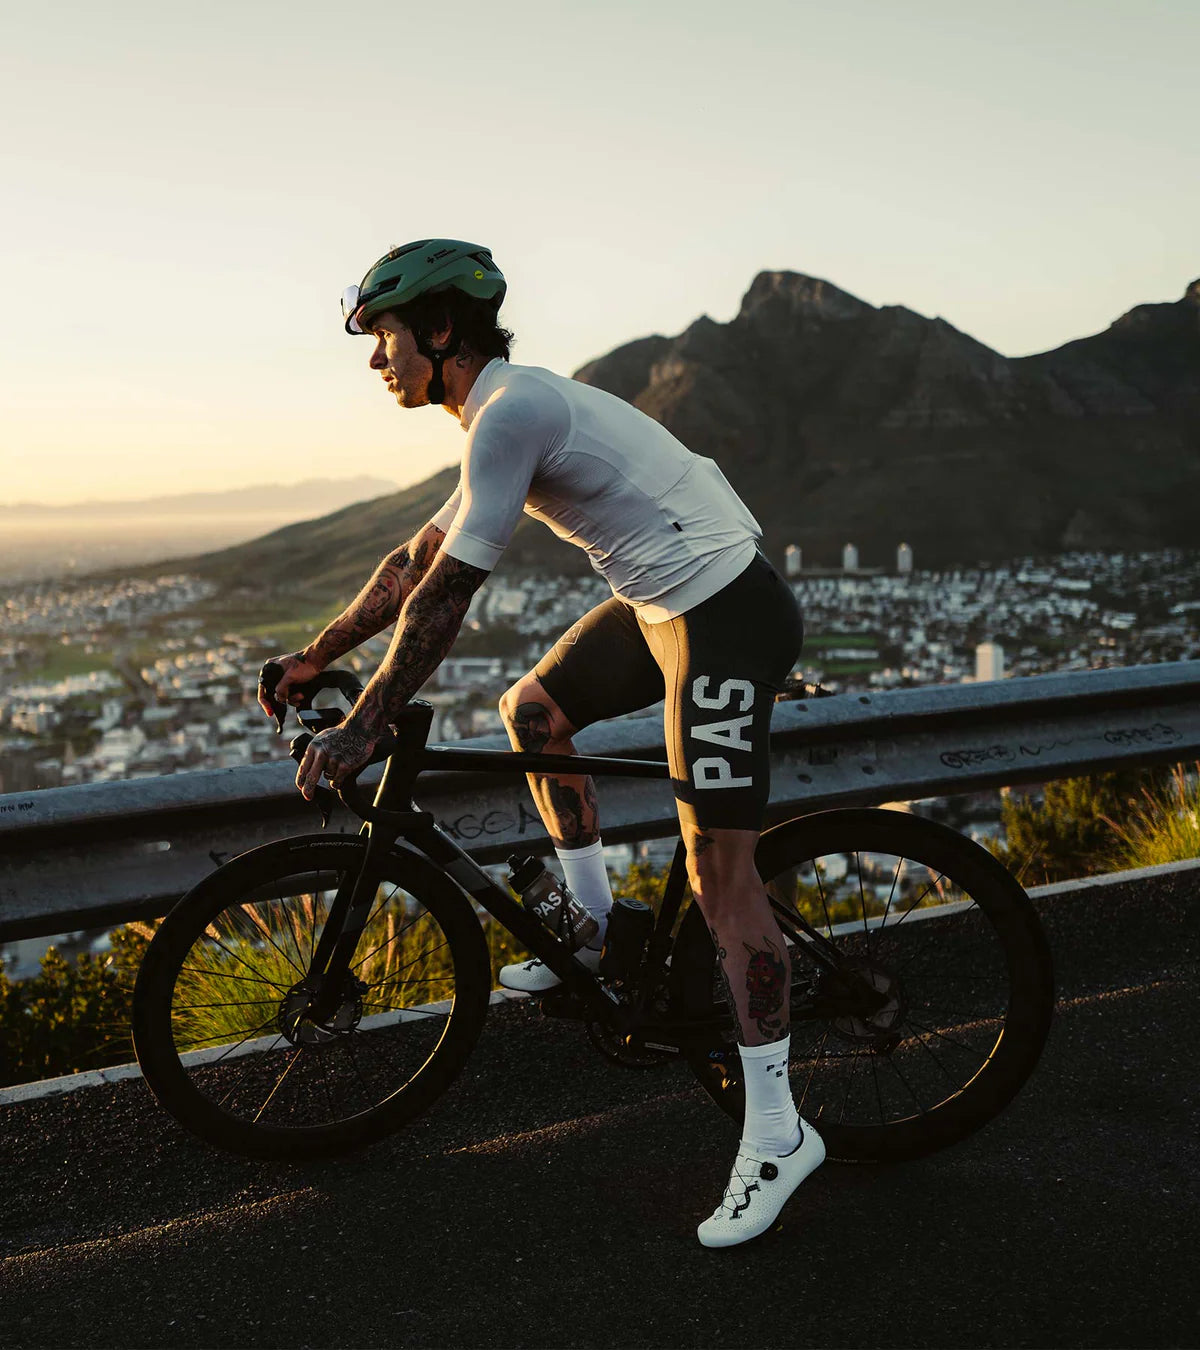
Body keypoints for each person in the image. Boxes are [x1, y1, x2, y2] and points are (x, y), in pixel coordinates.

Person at [258, 238, 824, 1247]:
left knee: (718, 876)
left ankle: (778, 1135)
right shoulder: (498, 417)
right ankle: (596, 929)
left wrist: (366, 722)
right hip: (660, 607)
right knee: (535, 712)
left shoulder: (513, 410)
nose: (374, 357)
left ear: (438, 331)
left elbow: (445, 600)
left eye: (383, 335)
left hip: (726, 615)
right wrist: (315, 655)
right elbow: (411, 560)